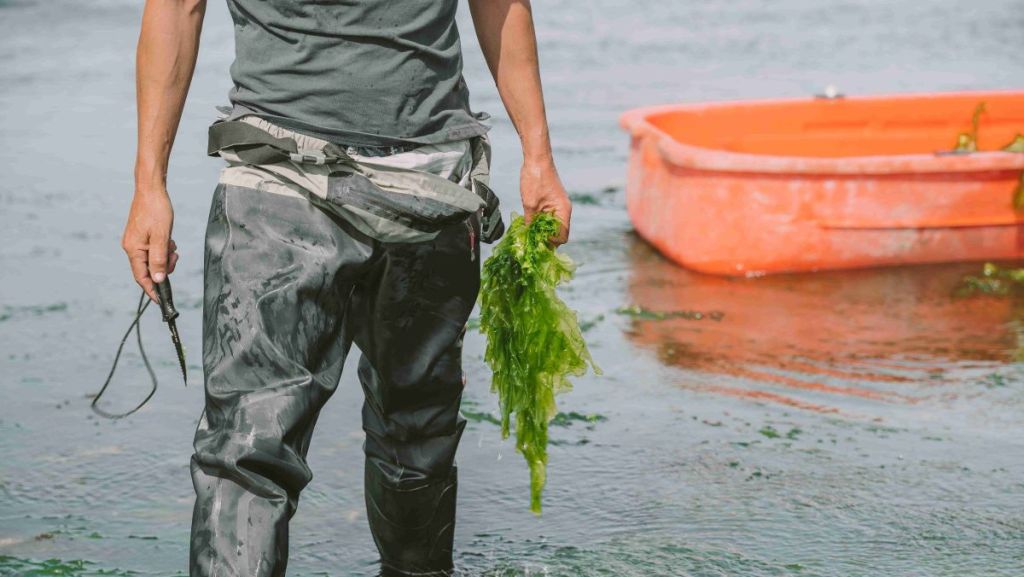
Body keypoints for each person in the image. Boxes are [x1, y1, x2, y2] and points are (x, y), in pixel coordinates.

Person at [120, 0, 572, 575]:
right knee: (265, 451)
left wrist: (539, 155)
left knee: (398, 436)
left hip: (428, 190)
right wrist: (148, 185)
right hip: (283, 180)